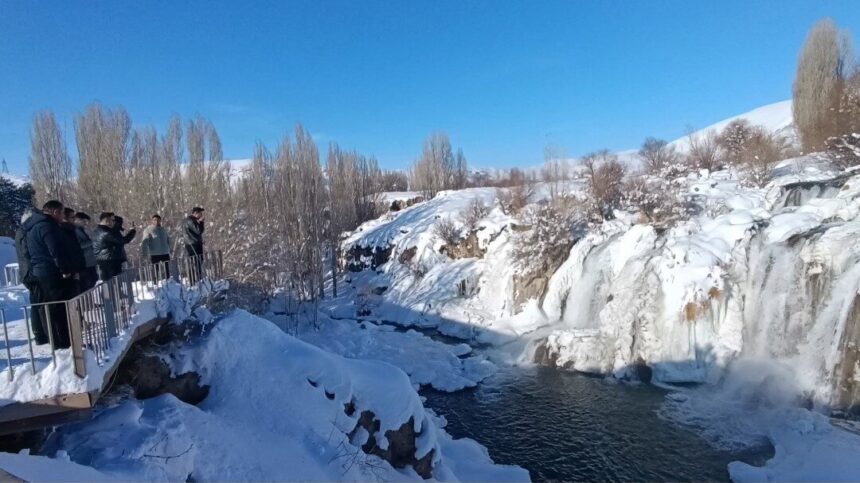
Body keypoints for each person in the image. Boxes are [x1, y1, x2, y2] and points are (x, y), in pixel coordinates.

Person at [22, 200, 73, 349]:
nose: (62, 216)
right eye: (62, 213)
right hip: (50, 271)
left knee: (50, 308)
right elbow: (55, 250)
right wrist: (65, 270)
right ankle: (63, 343)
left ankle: (56, 340)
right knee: (57, 308)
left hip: (40, 271)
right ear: (55, 212)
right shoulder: (47, 226)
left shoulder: (32, 226)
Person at [14, 208, 47, 345]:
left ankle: (40, 333)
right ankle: (40, 334)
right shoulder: (25, 232)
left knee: (37, 303)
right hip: (32, 272)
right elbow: (27, 253)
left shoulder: (22, 231)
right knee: (39, 304)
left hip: (29, 272)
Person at [59, 208, 87, 296]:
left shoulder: (72, 230)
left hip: (78, 266)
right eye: (72, 217)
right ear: (65, 218)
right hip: (71, 269)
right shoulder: (63, 231)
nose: (74, 219)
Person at [73, 212, 99, 291]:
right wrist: (91, 242)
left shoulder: (82, 230)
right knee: (87, 283)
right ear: (77, 220)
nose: (86, 223)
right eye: (84, 221)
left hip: (90, 261)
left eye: (87, 221)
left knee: (93, 279)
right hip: (85, 261)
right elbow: (79, 245)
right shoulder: (75, 231)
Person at [92, 212, 122, 280]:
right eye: (113, 220)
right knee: (111, 282)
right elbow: (122, 241)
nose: (114, 222)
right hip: (107, 261)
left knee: (112, 282)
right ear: (106, 220)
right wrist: (132, 231)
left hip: (106, 259)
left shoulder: (99, 230)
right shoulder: (105, 232)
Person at [141, 214, 171, 279]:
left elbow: (168, 239)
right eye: (155, 220)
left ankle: (169, 281)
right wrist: (145, 253)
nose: (156, 221)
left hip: (165, 253)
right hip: (155, 254)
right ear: (151, 221)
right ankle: (155, 282)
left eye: (158, 220)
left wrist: (170, 249)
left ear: (160, 221)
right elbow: (145, 242)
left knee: (167, 270)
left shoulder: (163, 229)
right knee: (155, 270)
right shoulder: (148, 230)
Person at [183, 207, 205, 283]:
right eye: (200, 213)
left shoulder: (193, 220)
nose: (201, 215)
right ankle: (194, 280)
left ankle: (198, 278)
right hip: (192, 244)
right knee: (195, 262)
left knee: (198, 261)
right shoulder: (190, 220)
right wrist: (201, 222)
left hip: (195, 243)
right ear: (196, 213)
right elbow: (198, 230)